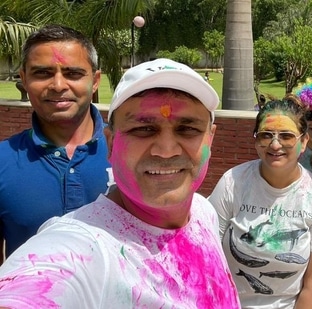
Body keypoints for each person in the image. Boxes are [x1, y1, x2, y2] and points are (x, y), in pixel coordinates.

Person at [0, 58, 241, 308]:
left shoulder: (203, 211)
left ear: (210, 139)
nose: (166, 150)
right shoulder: (81, 250)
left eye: (188, 129)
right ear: (111, 143)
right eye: (143, 129)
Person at [208, 98, 312, 308]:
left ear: (304, 141)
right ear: (255, 140)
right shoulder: (233, 182)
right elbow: (208, 255)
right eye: (266, 135)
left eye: (286, 136)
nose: (275, 145)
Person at [0, 24, 112, 262]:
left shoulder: (132, 152)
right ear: (24, 79)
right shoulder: (3, 161)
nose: (59, 85)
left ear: (95, 81)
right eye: (43, 73)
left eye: (73, 73)